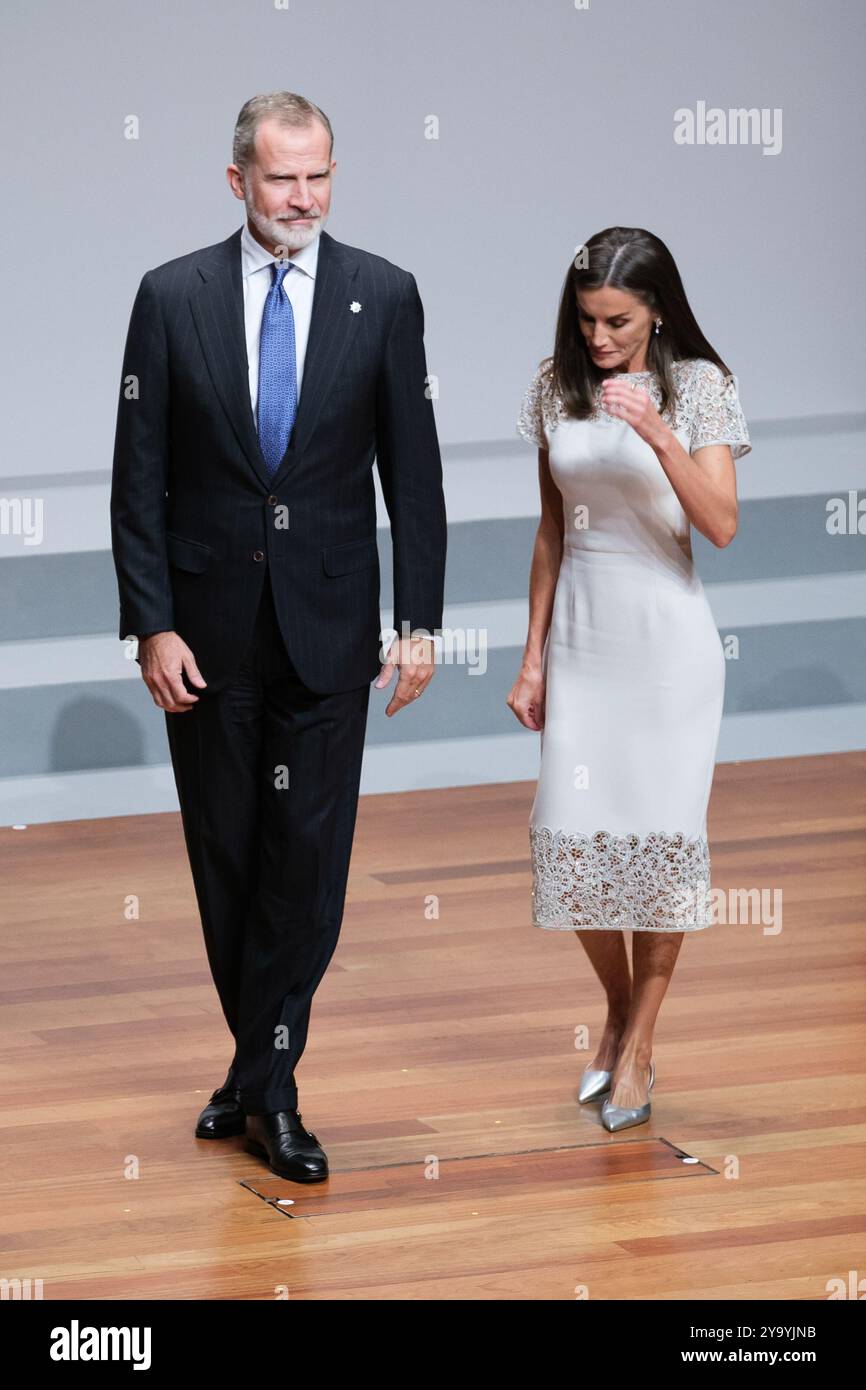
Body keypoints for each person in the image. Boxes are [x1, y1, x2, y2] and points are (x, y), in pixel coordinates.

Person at [110, 91, 446, 1181]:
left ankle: (272, 1084)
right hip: (205, 636)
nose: (300, 198)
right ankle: (256, 1070)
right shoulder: (171, 297)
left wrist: (421, 620)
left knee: (307, 868)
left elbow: (416, 475)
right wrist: (150, 623)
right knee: (229, 861)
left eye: (317, 177)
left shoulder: (382, 294)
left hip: (331, 630)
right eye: (278, 178)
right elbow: (139, 480)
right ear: (236, 182)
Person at [509, 226, 751, 1132]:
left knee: (657, 846)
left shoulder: (701, 389)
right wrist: (531, 656)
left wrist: (655, 431)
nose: (600, 339)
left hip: (667, 651)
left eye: (618, 320)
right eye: (587, 320)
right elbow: (550, 530)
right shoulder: (553, 386)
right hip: (582, 640)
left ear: (657, 312)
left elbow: (721, 524)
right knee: (570, 843)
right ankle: (614, 1007)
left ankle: (640, 1042)